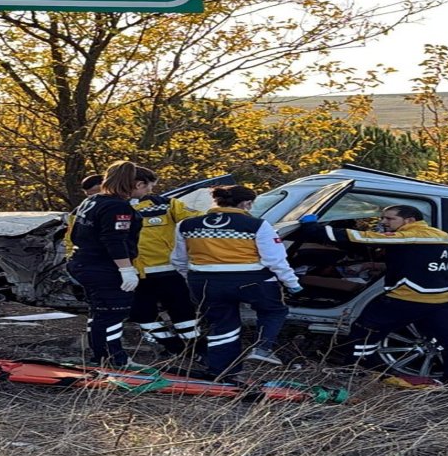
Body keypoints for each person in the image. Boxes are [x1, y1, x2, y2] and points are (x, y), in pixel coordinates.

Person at [299, 205, 448, 383]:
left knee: (363, 330)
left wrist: (314, 229)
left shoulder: (411, 235)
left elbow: (359, 238)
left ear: (409, 221)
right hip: (444, 299)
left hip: (409, 298)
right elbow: (422, 261)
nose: (383, 222)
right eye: (383, 218)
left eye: (389, 219)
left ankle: (353, 369)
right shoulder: (443, 236)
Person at [171, 185, 301, 381]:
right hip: (251, 281)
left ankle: (221, 370)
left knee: (222, 323)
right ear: (247, 203)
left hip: (204, 282)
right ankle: (262, 347)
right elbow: (275, 260)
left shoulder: (186, 225)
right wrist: (292, 283)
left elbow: (179, 259)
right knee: (274, 310)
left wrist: (191, 277)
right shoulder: (257, 225)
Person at [65, 162, 144, 367]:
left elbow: (75, 232)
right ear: (132, 183)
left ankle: (100, 355)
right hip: (102, 266)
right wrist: (126, 269)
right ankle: (115, 358)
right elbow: (114, 240)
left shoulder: (92, 200)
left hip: (83, 261)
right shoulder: (117, 206)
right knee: (114, 312)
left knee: (99, 311)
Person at [130, 174, 202, 357]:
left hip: (167, 271)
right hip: (133, 274)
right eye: (149, 186)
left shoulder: (166, 204)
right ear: (140, 183)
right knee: (144, 315)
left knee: (183, 314)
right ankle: (173, 348)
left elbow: (196, 220)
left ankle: (196, 350)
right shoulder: (112, 206)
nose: (150, 191)